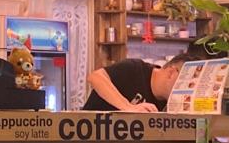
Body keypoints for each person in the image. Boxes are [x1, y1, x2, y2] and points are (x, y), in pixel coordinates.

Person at [83, 46, 217, 112]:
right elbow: (95, 77)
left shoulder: (166, 103)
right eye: (187, 83)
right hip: (87, 140)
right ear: (171, 73)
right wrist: (128, 107)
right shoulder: (135, 69)